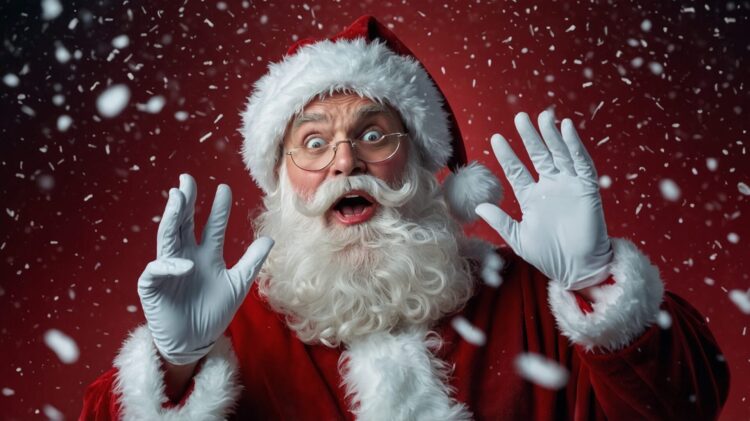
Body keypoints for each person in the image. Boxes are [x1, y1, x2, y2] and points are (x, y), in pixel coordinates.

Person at [80, 16, 729, 420]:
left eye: (375, 135)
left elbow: (688, 405)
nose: (344, 162)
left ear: (420, 165)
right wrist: (174, 365)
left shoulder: (536, 296)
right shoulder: (232, 331)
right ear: (279, 181)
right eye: (312, 142)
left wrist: (597, 283)